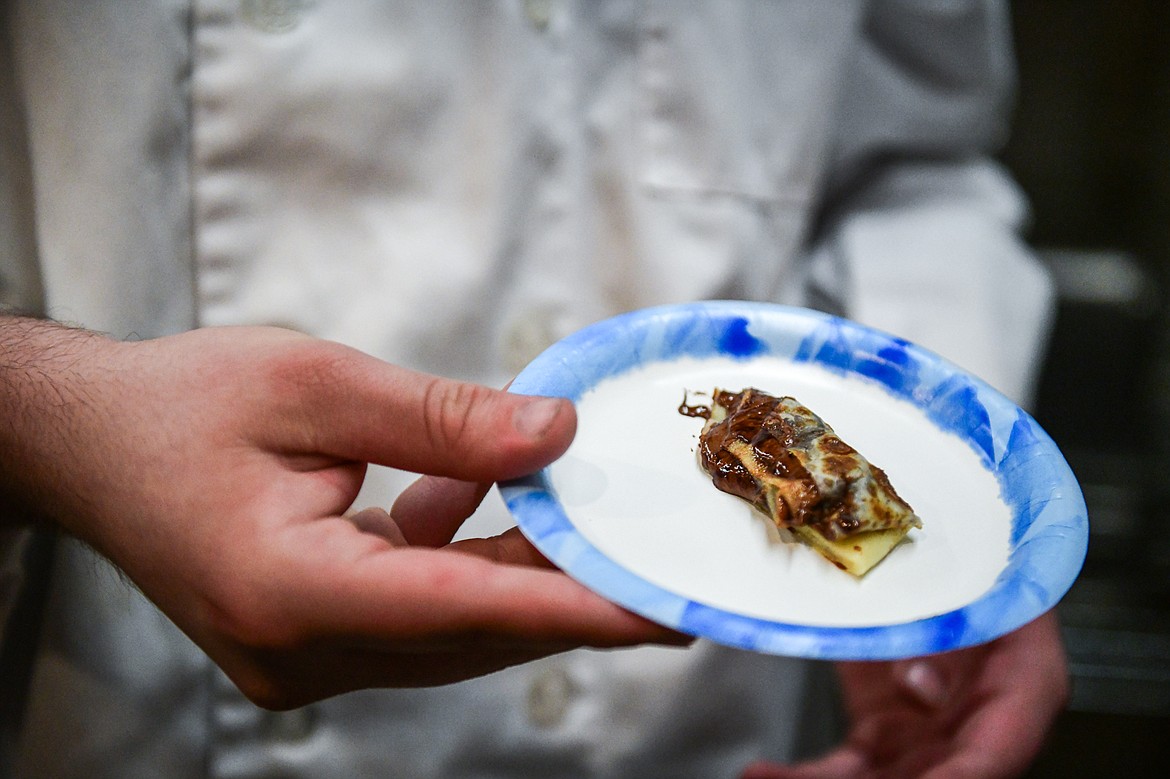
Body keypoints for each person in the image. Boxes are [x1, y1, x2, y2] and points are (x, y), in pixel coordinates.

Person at [0, 1, 1068, 777]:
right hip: (135, 693)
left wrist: (972, 534)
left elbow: (907, 159)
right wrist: (47, 417)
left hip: (714, 694)